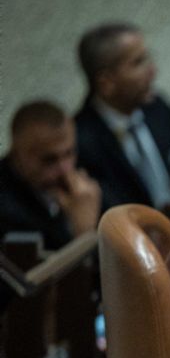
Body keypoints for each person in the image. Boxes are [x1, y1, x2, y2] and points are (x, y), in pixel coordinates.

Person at [74, 22, 170, 211]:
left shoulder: (157, 108)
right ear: (106, 82)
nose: (152, 71)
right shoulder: (80, 142)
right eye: (138, 63)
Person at [1, 100, 100, 252]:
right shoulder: (7, 212)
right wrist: (84, 233)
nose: (65, 169)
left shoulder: (84, 174)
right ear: (17, 155)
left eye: (69, 153)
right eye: (49, 160)